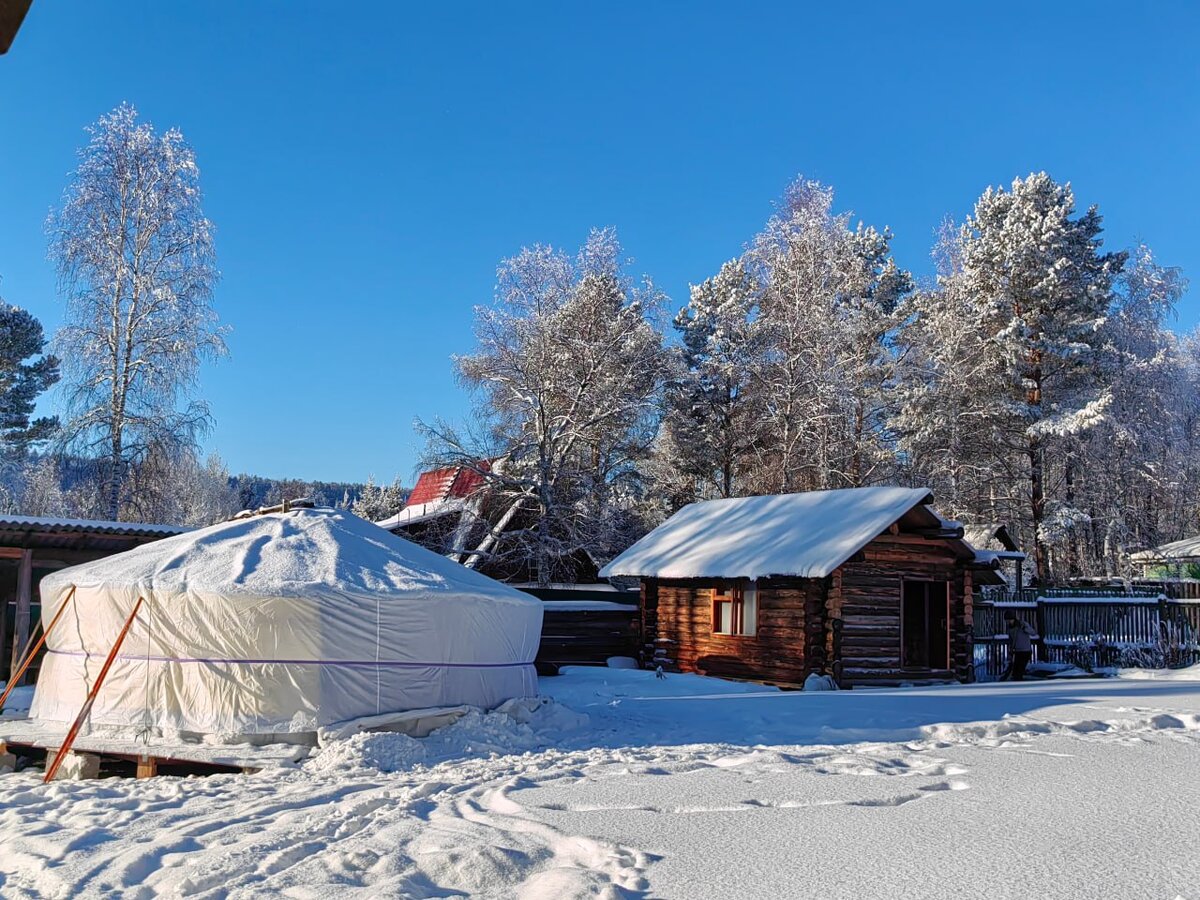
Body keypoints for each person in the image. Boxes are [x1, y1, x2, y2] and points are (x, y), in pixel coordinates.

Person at [1003, 611, 1037, 681]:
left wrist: (1024, 628)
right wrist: (1011, 650)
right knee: (1015, 672)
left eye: (1010, 620)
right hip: (1018, 652)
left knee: (1020, 671)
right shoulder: (1010, 629)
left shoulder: (1022, 624)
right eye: (1007, 620)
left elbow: (1033, 633)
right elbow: (1011, 641)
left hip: (1026, 651)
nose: (1009, 622)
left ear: (1013, 619)